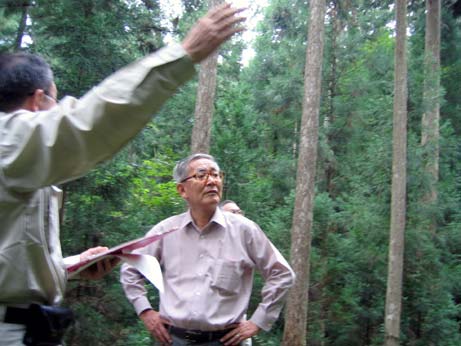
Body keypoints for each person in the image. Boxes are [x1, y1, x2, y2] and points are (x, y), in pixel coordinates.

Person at [0, 4, 245, 345]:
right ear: (37, 101)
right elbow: (86, 125)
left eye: (215, 174)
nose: (212, 181)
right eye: (57, 100)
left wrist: (68, 266)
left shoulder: (13, 157)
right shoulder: (7, 140)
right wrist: (183, 55)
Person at [121, 153, 295, 346]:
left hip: (225, 341)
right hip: (173, 339)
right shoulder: (166, 231)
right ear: (182, 190)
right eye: (201, 175)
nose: (212, 180)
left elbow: (282, 274)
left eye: (216, 174)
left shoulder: (244, 230)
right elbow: (131, 268)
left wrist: (258, 321)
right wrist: (145, 311)